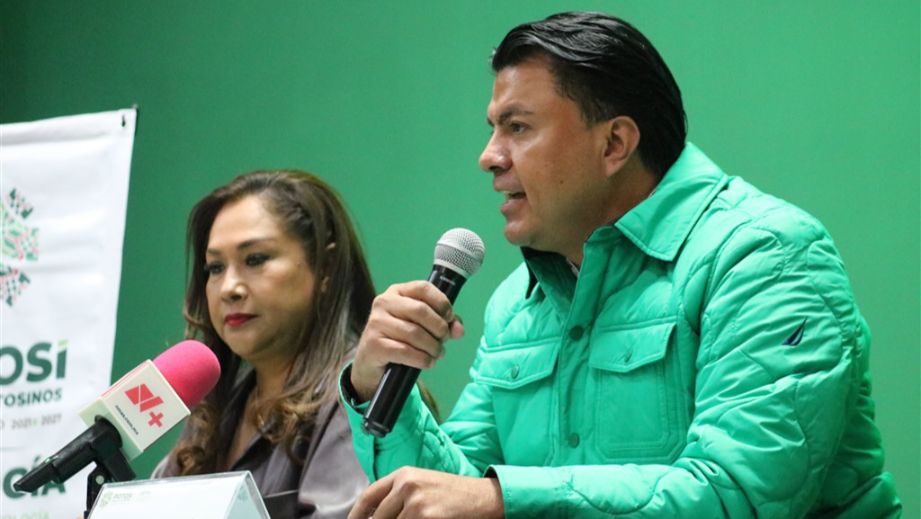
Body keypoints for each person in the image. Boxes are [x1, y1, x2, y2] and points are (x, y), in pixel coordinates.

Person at [340, 11, 902, 519]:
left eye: (517, 127)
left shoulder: (764, 256)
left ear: (614, 144)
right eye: (493, 128)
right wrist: (374, 384)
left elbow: (738, 494)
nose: (489, 156)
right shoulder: (518, 302)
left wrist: (503, 499)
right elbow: (450, 495)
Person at [154, 170, 375, 519]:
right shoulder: (215, 408)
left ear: (326, 268)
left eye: (255, 259)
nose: (230, 288)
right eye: (215, 267)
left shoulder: (361, 393)